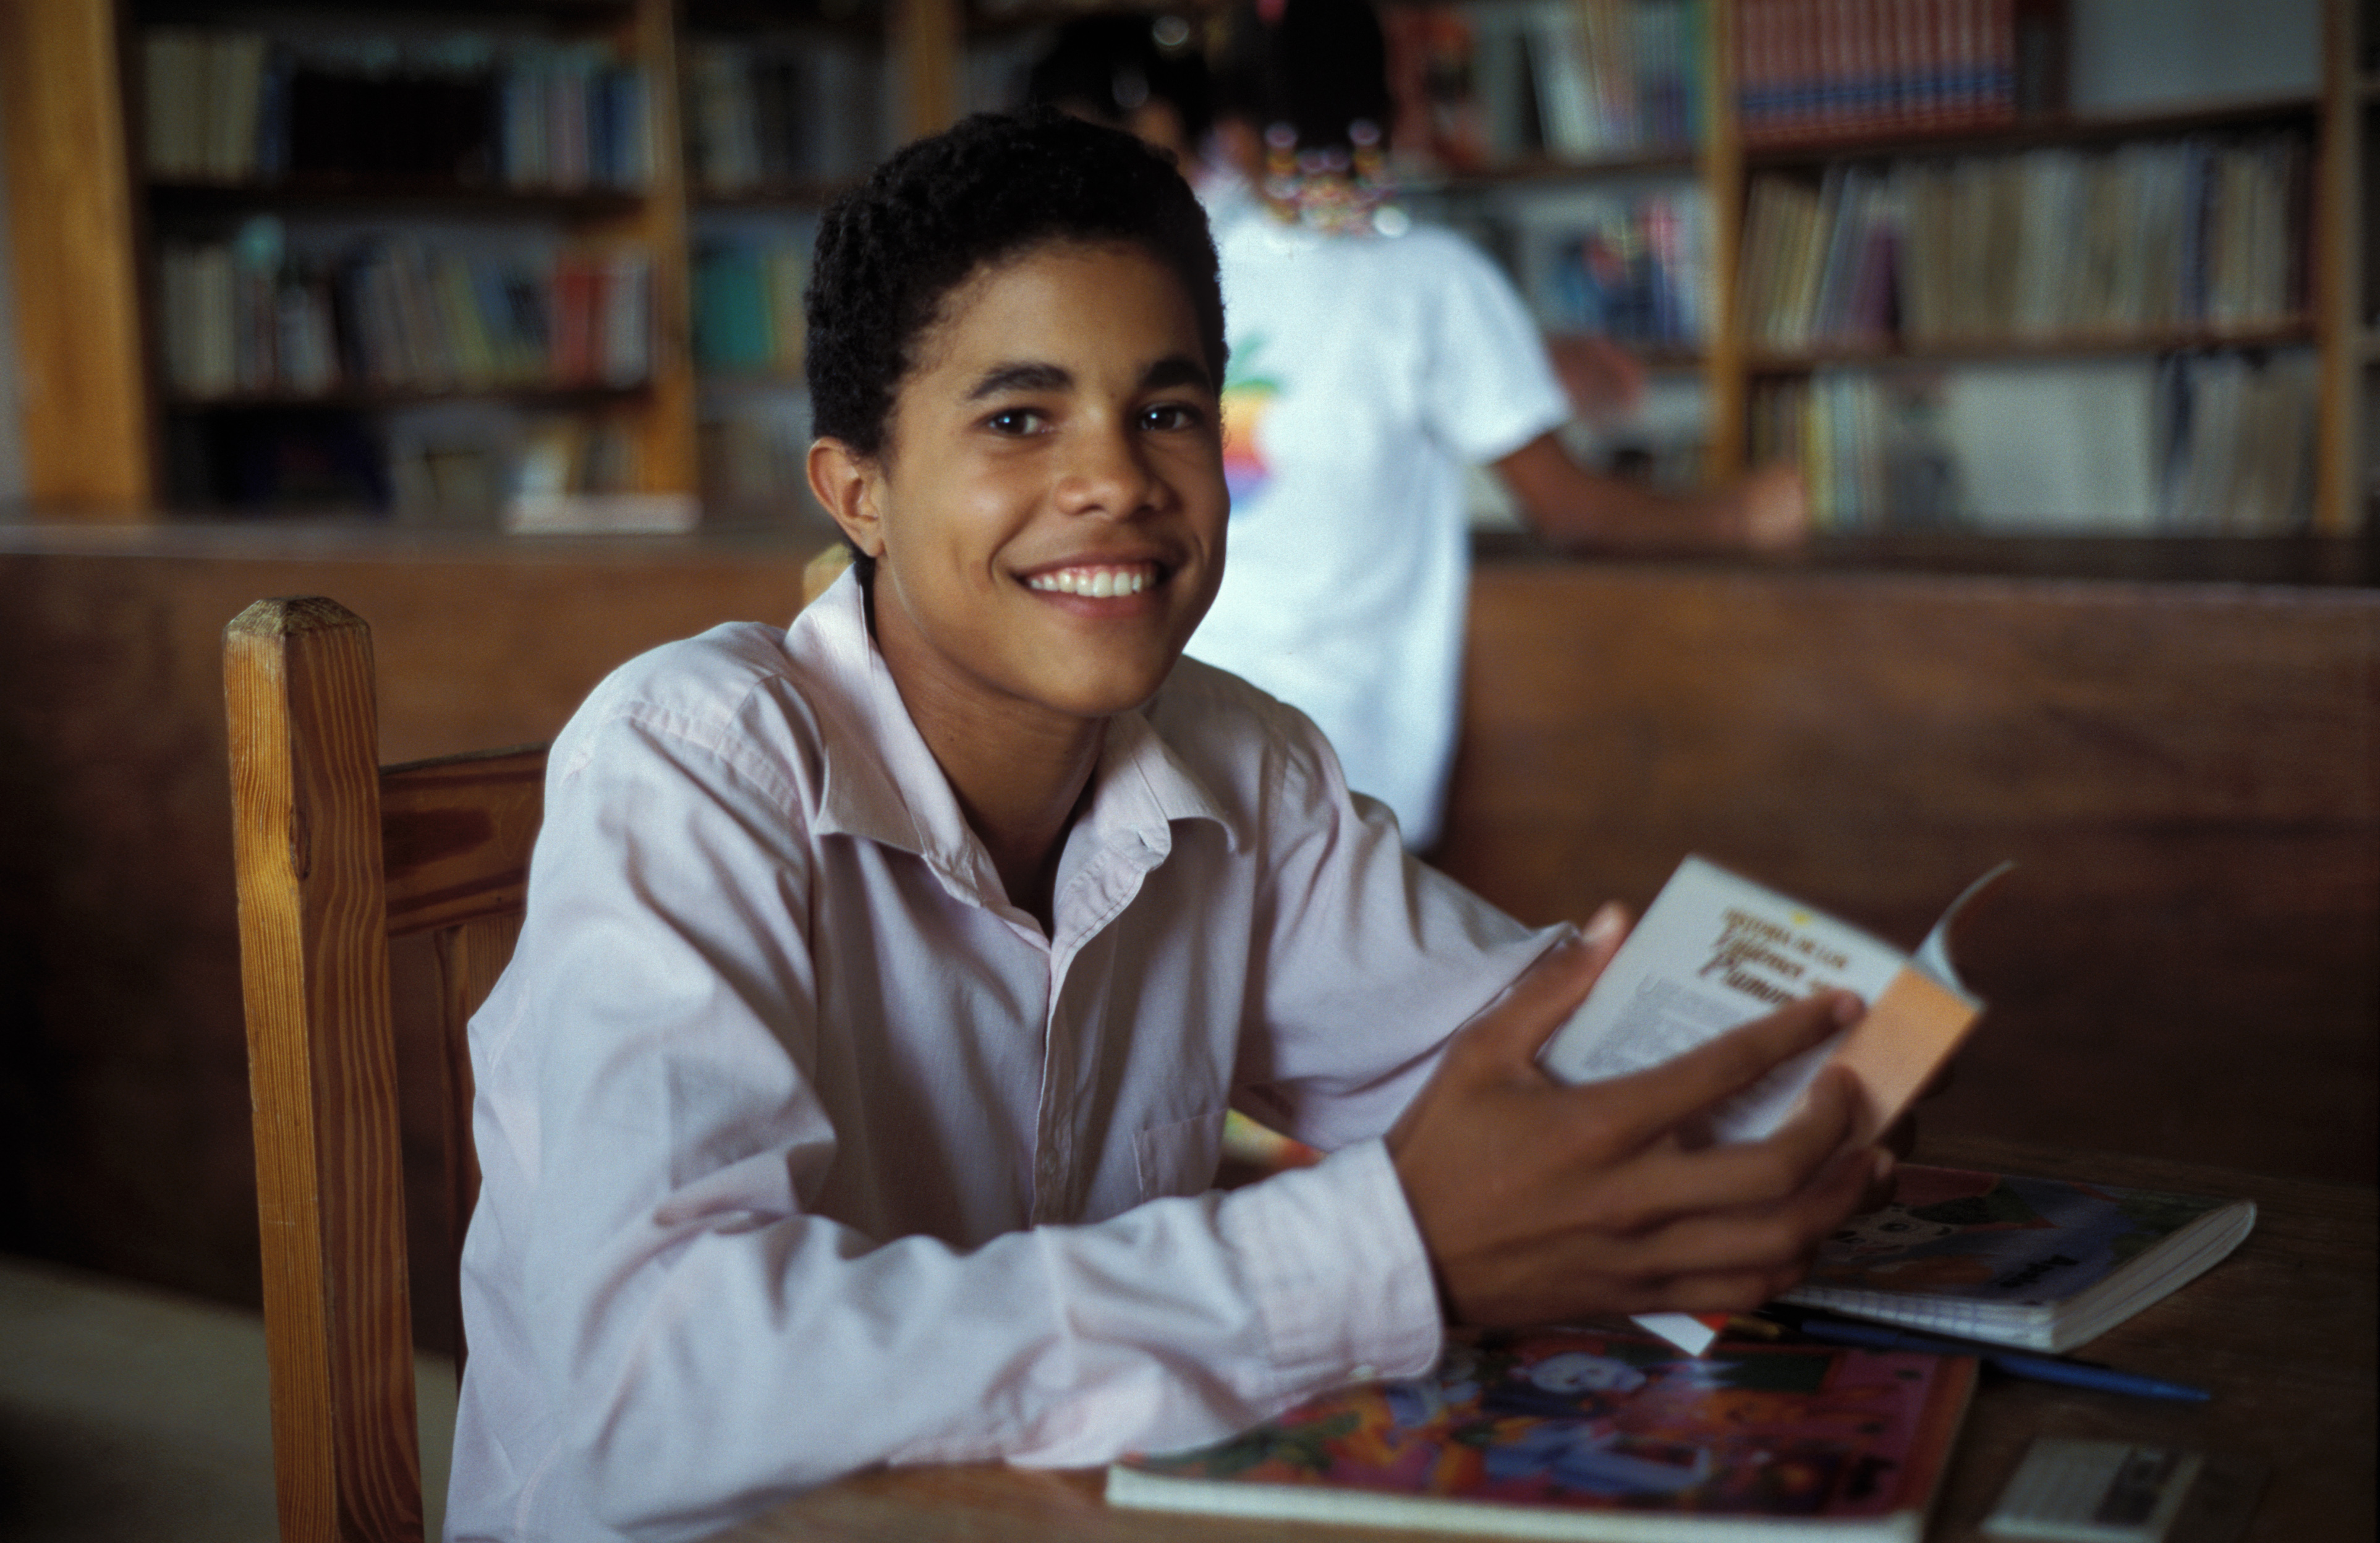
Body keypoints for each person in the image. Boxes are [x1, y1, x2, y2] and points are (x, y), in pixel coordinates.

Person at [445, 109, 1887, 1542]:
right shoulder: (687, 760)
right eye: (1018, 419)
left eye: (1169, 411)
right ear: (859, 493)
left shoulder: (1237, 765)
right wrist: (1385, 1249)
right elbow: (657, 1380)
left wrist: (1773, 1089)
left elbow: (1527, 1072)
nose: (1119, 481)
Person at [1030, 0, 1806, 851]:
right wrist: (1740, 516)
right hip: (1342, 784)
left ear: (1237, 132)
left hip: (1159, 757)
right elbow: (1575, 513)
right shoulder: (1435, 283)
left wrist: (1528, 349)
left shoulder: (1174, 257)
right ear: (1395, 120)